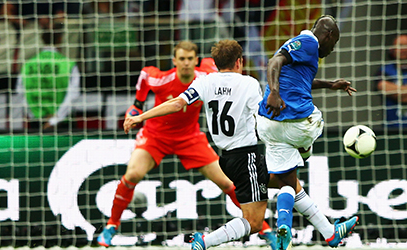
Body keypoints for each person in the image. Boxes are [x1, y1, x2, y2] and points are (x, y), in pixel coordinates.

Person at [97, 40, 277, 249]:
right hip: (156, 136)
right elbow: (145, 76)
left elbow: (220, 63)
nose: (186, 63)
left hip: (190, 137)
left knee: (228, 183)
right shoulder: (160, 79)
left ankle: (263, 229)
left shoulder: (206, 77)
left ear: (196, 60)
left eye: (190, 59)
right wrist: (137, 108)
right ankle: (111, 226)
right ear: (174, 61)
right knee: (133, 174)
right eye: (181, 59)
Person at [257, 15, 358, 250]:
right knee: (316, 120)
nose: (332, 50)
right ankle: (303, 151)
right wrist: (274, 91)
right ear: (329, 35)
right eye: (334, 44)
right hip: (296, 122)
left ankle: (322, 232)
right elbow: (275, 61)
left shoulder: (306, 53)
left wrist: (330, 84)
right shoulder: (309, 42)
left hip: (268, 125)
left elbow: (301, 79)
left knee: (288, 182)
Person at [16, 22, 80, 130]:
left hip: (37, 122)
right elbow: (73, 95)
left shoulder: (27, 65)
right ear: (60, 39)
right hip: (62, 123)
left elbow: (20, 93)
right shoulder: (68, 65)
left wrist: (35, 115)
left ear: (42, 39)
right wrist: (55, 119)